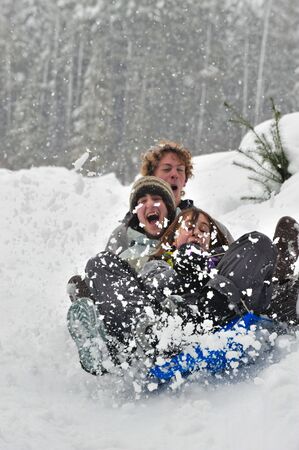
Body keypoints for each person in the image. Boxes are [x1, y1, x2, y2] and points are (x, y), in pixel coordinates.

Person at [67, 206, 292, 376]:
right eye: (189, 228)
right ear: (173, 238)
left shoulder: (224, 260)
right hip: (161, 324)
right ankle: (112, 350)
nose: (196, 232)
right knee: (101, 262)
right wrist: (183, 271)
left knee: (258, 241)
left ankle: (282, 283)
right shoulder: (158, 263)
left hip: (217, 313)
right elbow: (155, 286)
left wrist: (205, 270)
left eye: (204, 230)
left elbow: (246, 275)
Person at [105, 140, 234, 255]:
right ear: (151, 176)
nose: (174, 175)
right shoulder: (124, 234)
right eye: (167, 169)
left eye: (180, 170)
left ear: (185, 180)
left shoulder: (206, 225)